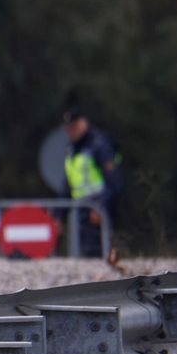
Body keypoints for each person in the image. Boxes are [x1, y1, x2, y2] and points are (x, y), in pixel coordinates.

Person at [62, 107, 122, 259]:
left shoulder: (99, 144)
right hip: (81, 208)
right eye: (68, 127)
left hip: (98, 206)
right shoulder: (72, 149)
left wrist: (101, 207)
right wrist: (59, 215)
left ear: (84, 123)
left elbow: (114, 181)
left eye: (74, 126)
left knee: (101, 251)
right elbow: (68, 184)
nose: (71, 130)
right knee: (86, 253)